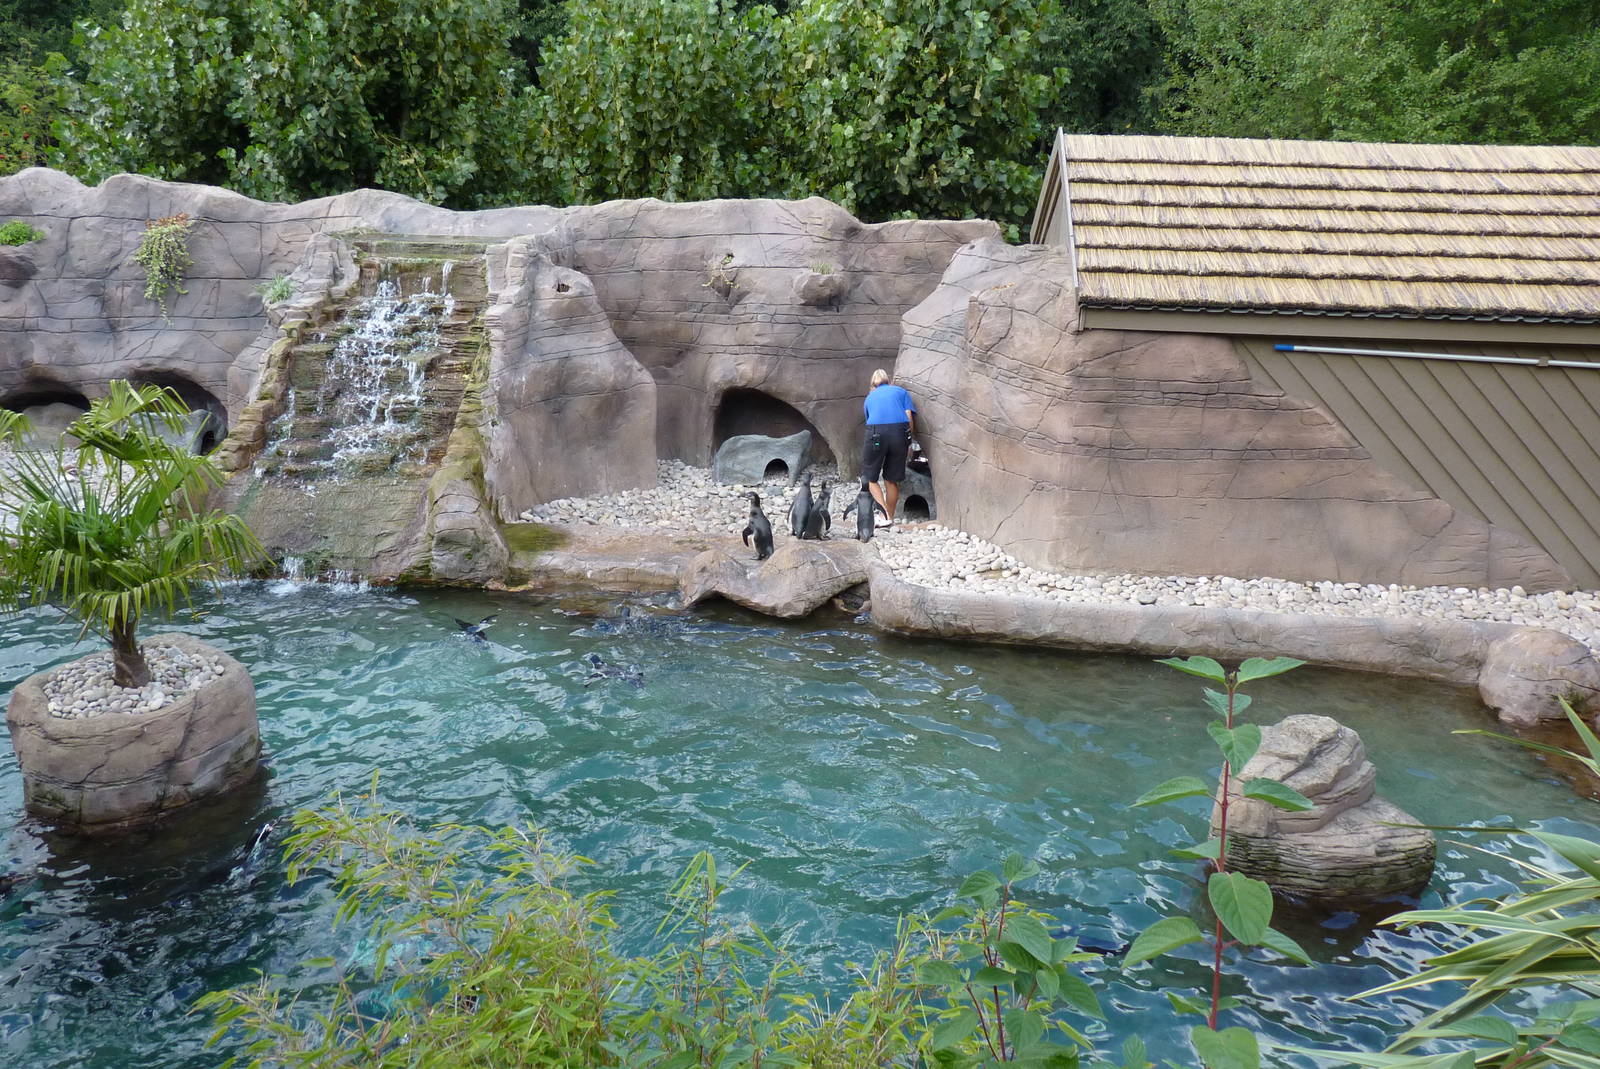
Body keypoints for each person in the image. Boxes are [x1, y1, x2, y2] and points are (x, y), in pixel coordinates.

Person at [860, 368, 916, 525]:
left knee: (870, 477)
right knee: (891, 479)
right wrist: (909, 438)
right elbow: (909, 415)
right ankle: (888, 517)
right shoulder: (901, 392)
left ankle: (884, 517)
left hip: (876, 433)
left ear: (873, 385)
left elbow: (870, 420)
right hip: (900, 433)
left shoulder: (870, 398)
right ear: (889, 381)